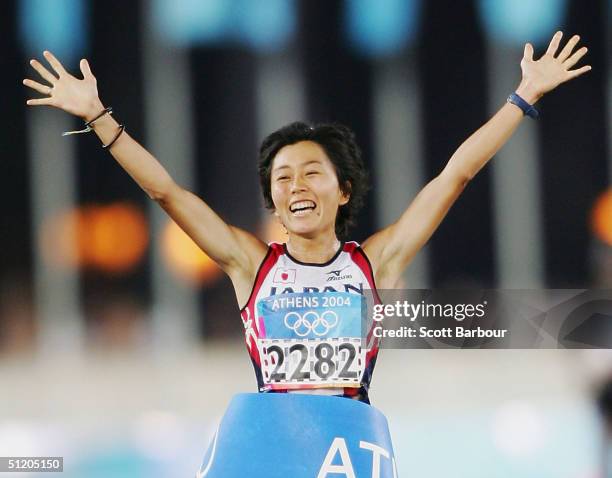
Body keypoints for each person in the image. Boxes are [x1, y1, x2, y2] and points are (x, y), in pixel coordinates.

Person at [23, 32, 590, 406]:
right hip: (274, 451)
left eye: (311, 172)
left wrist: (522, 96)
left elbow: (454, 176)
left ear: (343, 192)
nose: (295, 185)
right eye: (282, 177)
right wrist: (97, 116)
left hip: (349, 447)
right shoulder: (250, 264)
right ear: (273, 200)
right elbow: (167, 192)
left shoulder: (377, 262)